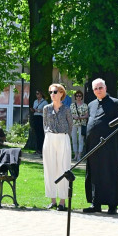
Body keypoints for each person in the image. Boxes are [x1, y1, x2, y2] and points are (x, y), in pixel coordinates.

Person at [82, 78, 118, 214]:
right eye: (95, 88)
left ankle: (112, 204)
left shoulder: (116, 103)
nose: (98, 90)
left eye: (100, 88)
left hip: (109, 146)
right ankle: (95, 203)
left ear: (105, 87)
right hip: (93, 146)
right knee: (94, 174)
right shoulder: (91, 104)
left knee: (110, 173)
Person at [42, 83, 72, 211]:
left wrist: (63, 136)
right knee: (49, 167)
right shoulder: (46, 108)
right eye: (50, 92)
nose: (52, 95)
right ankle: (52, 199)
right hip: (49, 137)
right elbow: (45, 124)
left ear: (61, 93)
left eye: (54, 92)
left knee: (63, 167)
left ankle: (62, 201)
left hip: (62, 137)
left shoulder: (66, 109)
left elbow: (70, 125)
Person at [70, 91, 89, 161]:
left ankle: (79, 155)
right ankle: (75, 155)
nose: (78, 97)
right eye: (77, 96)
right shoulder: (72, 105)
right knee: (74, 139)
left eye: (80, 96)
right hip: (73, 124)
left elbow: (87, 115)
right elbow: (69, 114)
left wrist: (80, 117)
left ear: (82, 97)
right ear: (75, 97)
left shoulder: (85, 105)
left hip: (81, 124)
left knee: (81, 140)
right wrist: (73, 116)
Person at [27, 88, 46, 154]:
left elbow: (45, 111)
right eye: (36, 94)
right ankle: (37, 149)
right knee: (37, 134)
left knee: (41, 134)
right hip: (35, 117)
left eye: (38, 93)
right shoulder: (35, 101)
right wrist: (33, 110)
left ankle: (41, 149)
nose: (37, 95)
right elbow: (34, 108)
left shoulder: (44, 102)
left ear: (41, 94)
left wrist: (37, 110)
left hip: (40, 117)